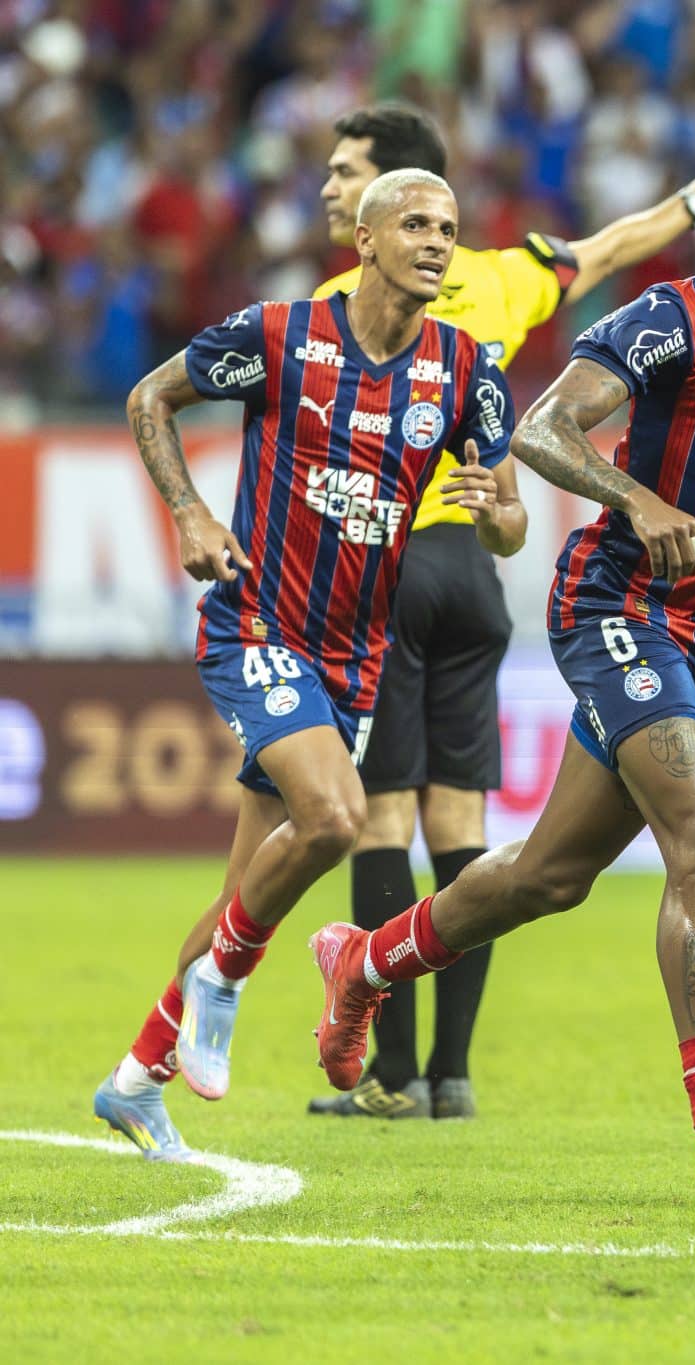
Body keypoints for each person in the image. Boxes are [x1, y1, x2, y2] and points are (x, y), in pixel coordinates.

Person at [307, 129, 695, 1218]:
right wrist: (638, 502)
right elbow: (546, 430)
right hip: (615, 606)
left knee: (548, 878)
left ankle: (363, 966)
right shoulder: (673, 318)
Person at [306, 103, 695, 1121]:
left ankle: (389, 1075)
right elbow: (607, 248)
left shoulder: (344, 298)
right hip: (476, 573)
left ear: (387, 197)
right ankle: (453, 1075)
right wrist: (689, 202)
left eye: (345, 174)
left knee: (382, 821)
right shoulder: (502, 277)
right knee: (461, 825)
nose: (330, 189)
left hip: (390, 567)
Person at [92, 169, 517, 1160]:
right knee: (335, 819)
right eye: (415, 224)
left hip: (355, 660)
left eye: (449, 229)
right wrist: (192, 512)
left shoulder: (465, 370)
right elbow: (151, 397)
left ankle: (133, 1083)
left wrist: (500, 516)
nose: (436, 241)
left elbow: (507, 520)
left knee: (252, 885)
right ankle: (223, 985)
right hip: (259, 627)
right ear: (364, 240)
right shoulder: (282, 336)